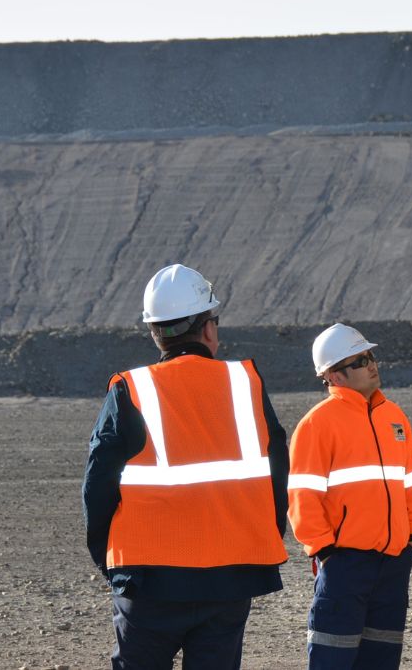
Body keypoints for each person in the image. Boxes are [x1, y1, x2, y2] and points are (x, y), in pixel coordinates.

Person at [82, 263, 289, 670]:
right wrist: (261, 538)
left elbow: (97, 483)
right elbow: (276, 468)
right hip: (230, 577)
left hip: (149, 580)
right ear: (209, 329)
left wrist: (109, 560)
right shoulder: (245, 383)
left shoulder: (130, 389)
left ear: (154, 332)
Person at [287, 323, 412, 669]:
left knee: (381, 661)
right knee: (333, 660)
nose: (371, 365)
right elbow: (303, 497)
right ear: (334, 376)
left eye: (371, 356)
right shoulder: (316, 424)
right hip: (345, 566)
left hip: (394, 563)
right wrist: (325, 553)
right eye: (361, 360)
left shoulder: (394, 418)